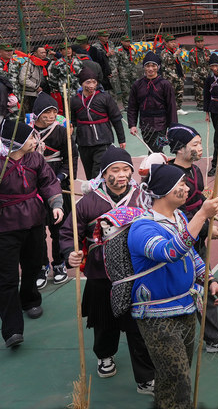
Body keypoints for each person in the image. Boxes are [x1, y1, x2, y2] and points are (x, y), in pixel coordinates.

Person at [127, 163, 218, 409]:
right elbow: (170, 252)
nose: (186, 187)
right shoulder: (142, 227)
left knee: (175, 376)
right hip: (157, 314)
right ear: (165, 190)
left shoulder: (179, 217)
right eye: (180, 184)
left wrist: (209, 279)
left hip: (186, 306)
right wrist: (202, 215)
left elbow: (191, 256)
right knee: (177, 375)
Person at [61, 147, 156, 393]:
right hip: (100, 272)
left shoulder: (143, 198)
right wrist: (69, 252)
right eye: (115, 170)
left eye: (126, 169)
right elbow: (68, 233)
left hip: (135, 272)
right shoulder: (88, 202)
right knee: (104, 321)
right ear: (104, 174)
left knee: (137, 325)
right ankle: (105, 355)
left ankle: (145, 376)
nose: (122, 175)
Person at [165, 125, 218, 354]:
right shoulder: (171, 177)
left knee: (205, 283)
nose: (200, 148)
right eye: (195, 144)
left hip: (197, 240)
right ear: (179, 149)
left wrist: (209, 225)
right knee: (177, 289)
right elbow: (176, 212)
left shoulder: (196, 172)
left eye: (200, 143)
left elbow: (199, 204)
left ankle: (213, 339)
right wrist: (205, 226)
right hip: (177, 242)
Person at [0, 118, 65, 348]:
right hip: (5, 226)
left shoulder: (36, 158)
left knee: (34, 265)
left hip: (35, 220)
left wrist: (56, 203)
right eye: (29, 137)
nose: (34, 139)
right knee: (6, 278)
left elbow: (48, 182)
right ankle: (12, 329)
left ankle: (30, 300)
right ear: (14, 143)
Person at [30, 92, 73, 289]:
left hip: (57, 181)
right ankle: (41, 266)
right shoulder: (27, 132)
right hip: (33, 186)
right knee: (37, 230)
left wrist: (61, 177)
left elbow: (70, 159)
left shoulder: (61, 132)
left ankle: (59, 264)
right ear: (37, 114)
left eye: (54, 111)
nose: (51, 115)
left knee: (58, 228)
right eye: (47, 112)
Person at [71, 69, 127, 179]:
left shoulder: (105, 97)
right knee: (89, 175)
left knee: (98, 173)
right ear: (81, 83)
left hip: (103, 140)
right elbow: (72, 121)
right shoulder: (74, 101)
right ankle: (93, 195)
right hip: (84, 142)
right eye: (88, 82)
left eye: (94, 82)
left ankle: (101, 193)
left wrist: (122, 139)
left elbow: (116, 119)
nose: (92, 85)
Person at [127, 52, 178, 153]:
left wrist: (172, 127)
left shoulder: (165, 84)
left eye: (153, 65)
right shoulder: (137, 85)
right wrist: (132, 124)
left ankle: (156, 167)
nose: (150, 69)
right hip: (145, 124)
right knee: (151, 148)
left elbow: (171, 106)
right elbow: (132, 106)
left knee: (157, 149)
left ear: (158, 67)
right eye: (148, 65)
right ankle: (158, 167)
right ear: (144, 67)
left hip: (161, 124)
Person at [158, 34, 186, 110]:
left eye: (174, 42)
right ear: (166, 43)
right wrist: (176, 54)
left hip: (178, 75)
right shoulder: (164, 52)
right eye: (171, 42)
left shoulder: (175, 51)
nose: (174, 44)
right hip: (169, 77)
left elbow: (179, 63)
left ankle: (178, 108)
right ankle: (171, 108)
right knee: (170, 93)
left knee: (179, 92)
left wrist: (182, 73)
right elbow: (168, 61)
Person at [188, 35, 213, 108]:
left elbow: (210, 62)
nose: (200, 43)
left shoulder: (206, 50)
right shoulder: (192, 52)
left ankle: (207, 103)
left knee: (208, 89)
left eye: (201, 41)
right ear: (195, 43)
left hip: (207, 73)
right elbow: (193, 65)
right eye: (198, 42)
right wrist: (199, 74)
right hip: (197, 74)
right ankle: (200, 104)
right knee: (199, 90)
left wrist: (209, 60)